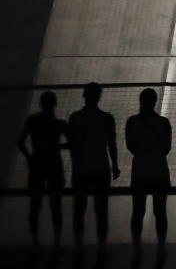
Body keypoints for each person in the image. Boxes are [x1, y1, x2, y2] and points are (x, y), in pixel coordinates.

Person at [68, 82, 120, 254]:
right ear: (99, 96)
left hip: (81, 169)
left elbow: (72, 145)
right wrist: (115, 165)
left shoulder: (76, 118)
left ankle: (78, 246)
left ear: (84, 95)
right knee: (100, 210)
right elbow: (112, 144)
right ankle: (101, 247)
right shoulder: (106, 118)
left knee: (79, 210)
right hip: (99, 169)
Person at [17, 91, 68, 247]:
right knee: (55, 205)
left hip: (38, 164)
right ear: (55, 104)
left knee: (36, 204)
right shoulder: (58, 124)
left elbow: (21, 142)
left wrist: (30, 157)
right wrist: (58, 146)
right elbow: (73, 142)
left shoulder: (33, 121)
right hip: (54, 164)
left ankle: (35, 241)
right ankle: (57, 242)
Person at [125, 88, 172, 254]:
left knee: (138, 210)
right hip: (159, 171)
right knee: (160, 212)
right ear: (155, 101)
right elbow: (167, 147)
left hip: (140, 172)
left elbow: (130, 146)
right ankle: (161, 246)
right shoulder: (163, 123)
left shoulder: (132, 122)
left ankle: (137, 247)